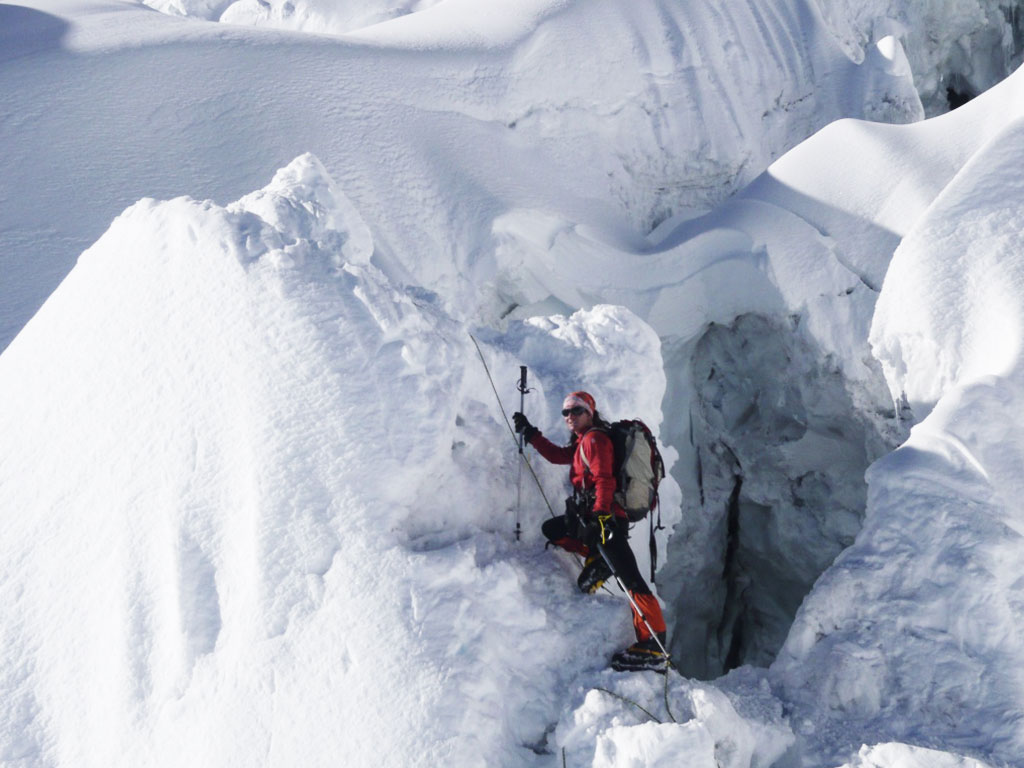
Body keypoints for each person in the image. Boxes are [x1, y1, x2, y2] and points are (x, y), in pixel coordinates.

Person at [514, 391, 668, 671]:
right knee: (553, 529)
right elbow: (558, 456)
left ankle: (653, 646)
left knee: (631, 581)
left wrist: (601, 514)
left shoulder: (595, 439)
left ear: (590, 412)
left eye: (576, 411)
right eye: (566, 413)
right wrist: (531, 433)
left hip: (605, 520)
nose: (570, 417)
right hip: (591, 520)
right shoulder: (583, 441)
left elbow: (604, 479)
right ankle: (597, 559)